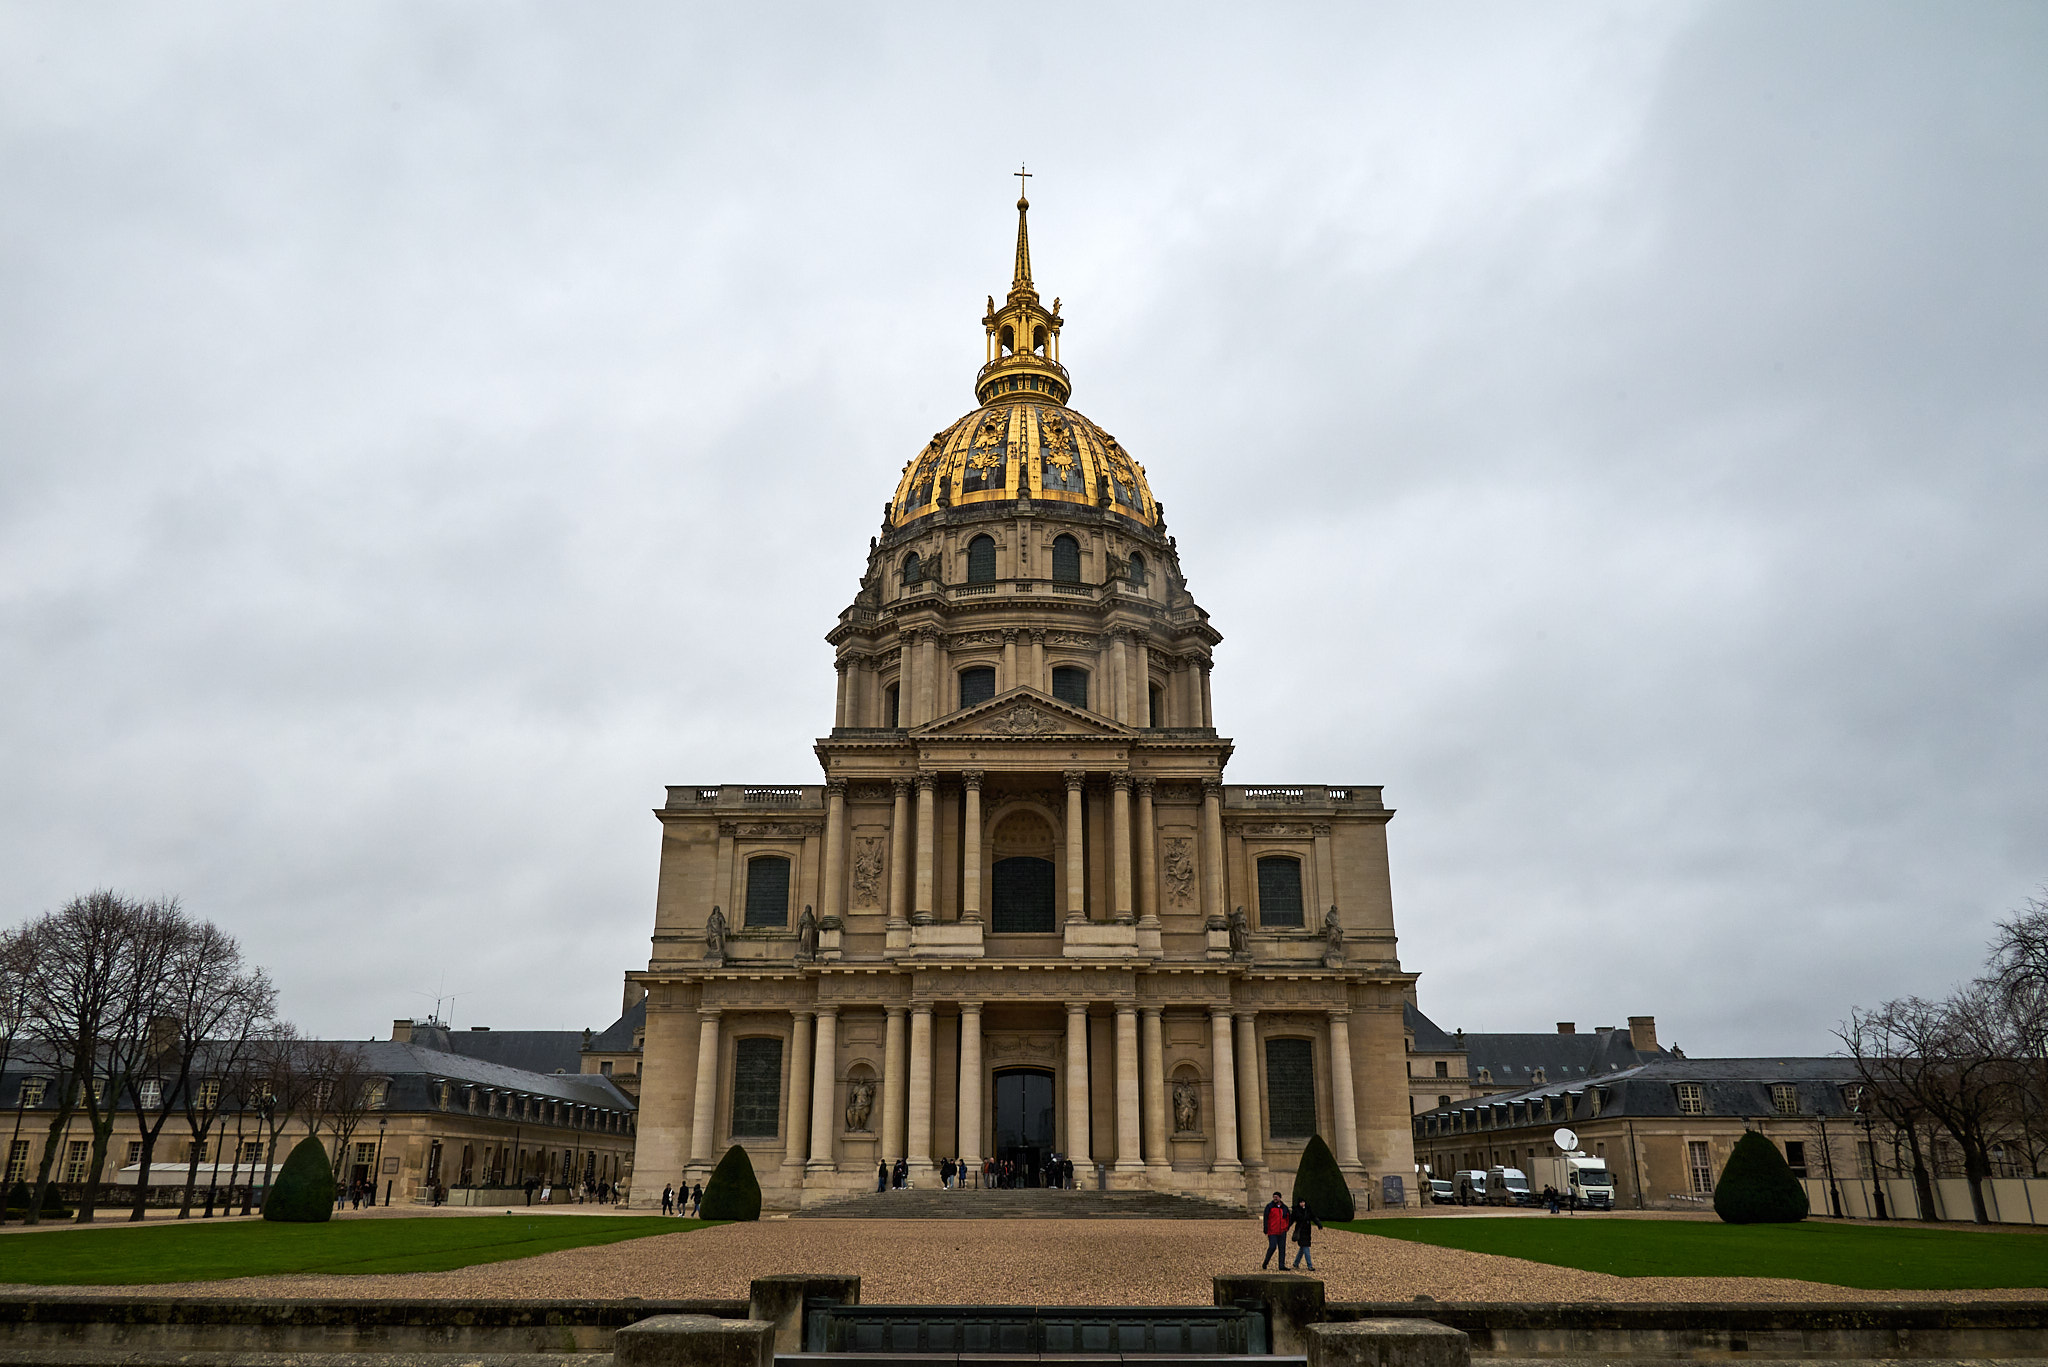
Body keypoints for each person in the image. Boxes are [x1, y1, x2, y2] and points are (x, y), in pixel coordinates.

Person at [1261, 1191, 1292, 1269]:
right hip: (1272, 1231)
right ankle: (1265, 1262)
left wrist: (1286, 1227)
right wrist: (1265, 1228)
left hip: (1282, 1231)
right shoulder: (1269, 1206)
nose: (1275, 1198)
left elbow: (1288, 1218)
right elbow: (1266, 1218)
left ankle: (1281, 1265)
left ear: (1280, 1198)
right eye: (1274, 1196)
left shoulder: (1284, 1207)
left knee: (1282, 1249)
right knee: (1272, 1247)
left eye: (1276, 1197)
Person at [1290, 1197, 1323, 1271]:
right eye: (1301, 1202)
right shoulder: (1296, 1210)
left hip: (1307, 1230)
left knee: (1303, 1247)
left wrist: (1318, 1224)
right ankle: (1309, 1265)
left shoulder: (1308, 1209)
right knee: (1306, 1247)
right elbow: (1291, 1220)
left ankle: (1296, 1263)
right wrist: (1287, 1227)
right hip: (1300, 1230)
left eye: (1303, 1202)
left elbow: (1313, 1217)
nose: (1302, 1204)